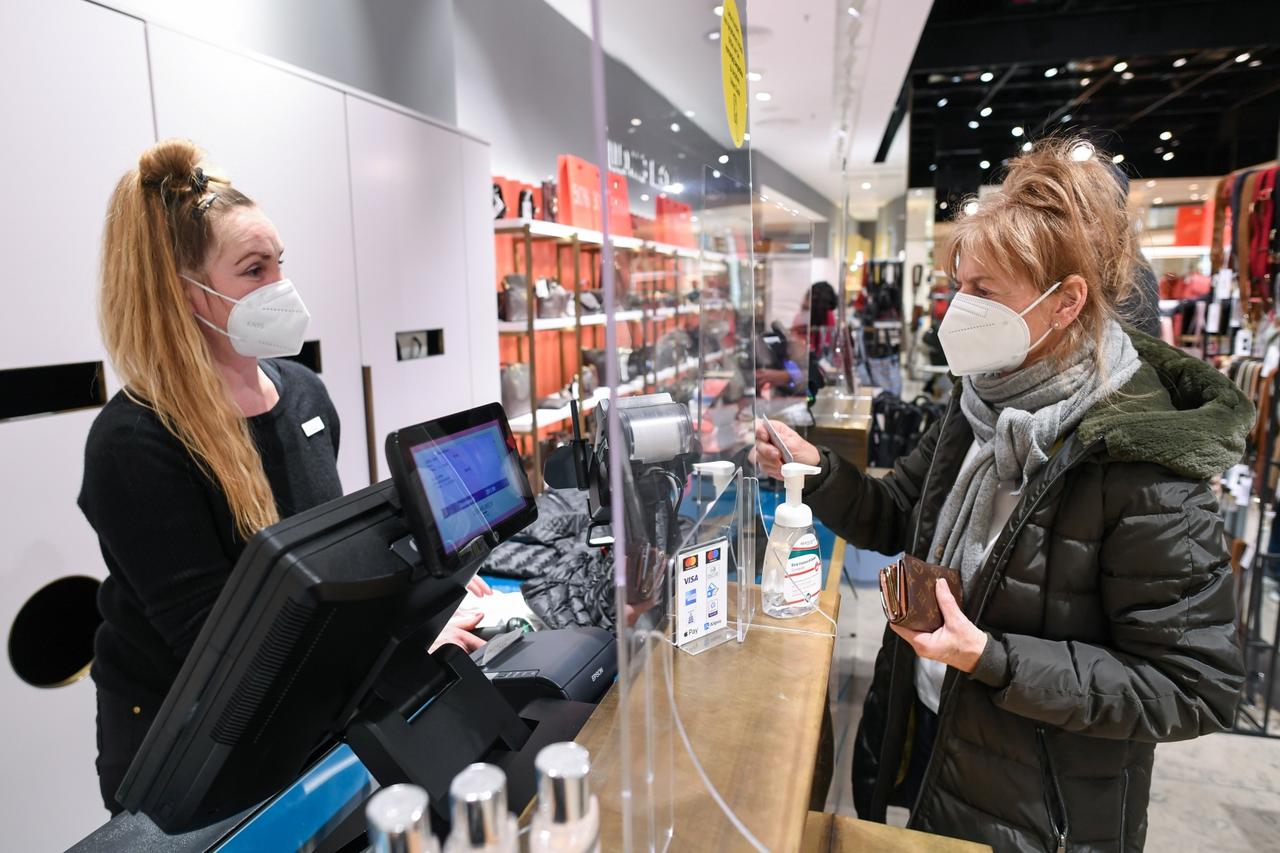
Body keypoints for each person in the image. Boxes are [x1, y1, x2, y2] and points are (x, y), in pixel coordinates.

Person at [755, 138, 1249, 851]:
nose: (961, 307)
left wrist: (993, 658)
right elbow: (902, 511)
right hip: (935, 741)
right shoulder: (979, 400)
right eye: (961, 282)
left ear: (1066, 301)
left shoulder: (1144, 462)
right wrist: (818, 469)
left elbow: (1195, 684)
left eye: (984, 290)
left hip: (1038, 812)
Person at [80, 139, 488, 814]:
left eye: (280, 263)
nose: (281, 287)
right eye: (253, 269)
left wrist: (426, 598)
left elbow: (332, 566)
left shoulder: (302, 393)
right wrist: (404, 653)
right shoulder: (136, 443)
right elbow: (229, 664)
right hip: (191, 759)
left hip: (309, 717)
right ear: (188, 295)